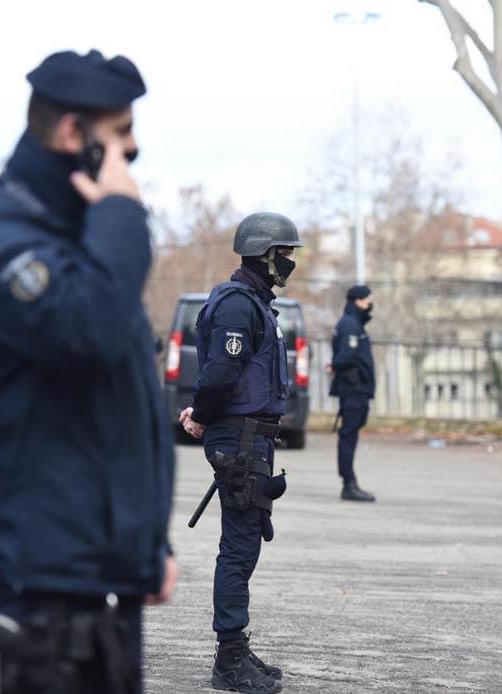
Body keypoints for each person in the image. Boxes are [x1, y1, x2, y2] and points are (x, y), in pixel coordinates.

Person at [0, 49, 176, 694]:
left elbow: (120, 409)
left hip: (99, 568)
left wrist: (147, 548)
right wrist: (122, 212)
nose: (133, 150)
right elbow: (89, 332)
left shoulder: (82, 244)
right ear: (76, 136)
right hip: (44, 574)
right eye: (121, 133)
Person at [179, 212, 301, 694]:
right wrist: (203, 414)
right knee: (239, 546)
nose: (291, 262)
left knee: (245, 542)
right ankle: (228, 661)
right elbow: (218, 375)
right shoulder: (236, 306)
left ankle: (236, 646)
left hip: (254, 437)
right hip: (241, 439)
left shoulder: (255, 304)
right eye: (286, 254)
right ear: (265, 255)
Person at [329, 284, 378, 502]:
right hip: (353, 390)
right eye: (367, 299)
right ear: (357, 301)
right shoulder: (350, 325)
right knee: (348, 436)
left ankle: (350, 482)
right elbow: (345, 357)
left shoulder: (354, 323)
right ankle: (349, 484)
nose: (370, 303)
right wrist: (334, 365)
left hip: (356, 390)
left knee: (350, 435)